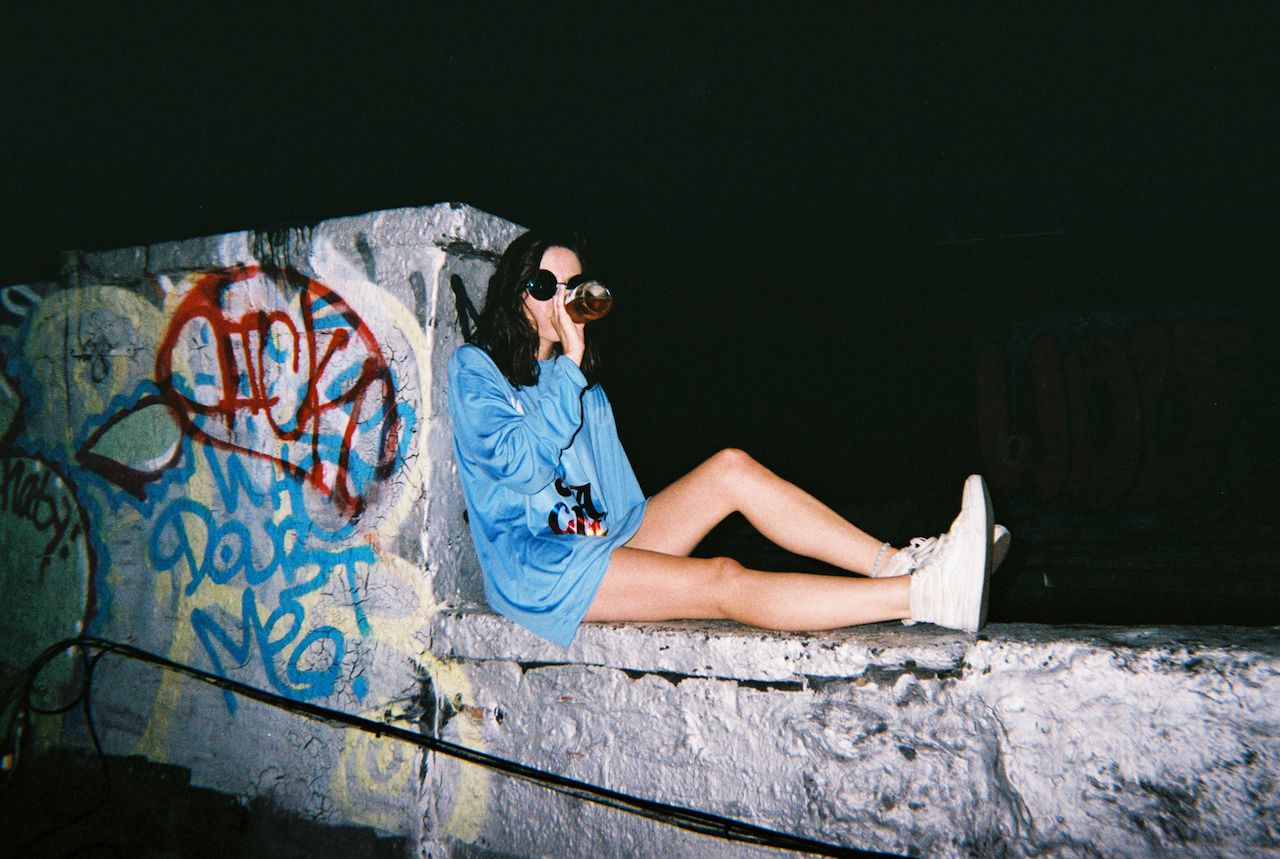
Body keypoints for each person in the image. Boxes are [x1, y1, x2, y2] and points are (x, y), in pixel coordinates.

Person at [447, 229, 1007, 648]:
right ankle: (923, 595)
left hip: (601, 544)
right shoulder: (478, 369)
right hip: (539, 566)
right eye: (544, 286)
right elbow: (523, 467)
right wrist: (570, 367)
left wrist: (648, 554)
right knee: (720, 579)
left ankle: (897, 564)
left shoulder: (581, 388)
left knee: (731, 467)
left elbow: (620, 502)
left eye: (572, 288)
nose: (560, 300)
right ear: (515, 293)